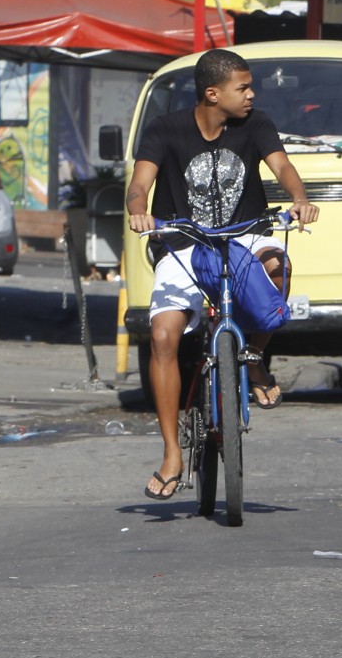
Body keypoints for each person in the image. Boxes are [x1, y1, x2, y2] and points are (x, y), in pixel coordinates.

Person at [126, 49, 319, 501]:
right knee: (163, 338)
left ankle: (252, 358)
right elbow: (140, 185)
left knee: (280, 267)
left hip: (244, 235)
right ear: (213, 94)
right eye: (243, 88)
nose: (252, 95)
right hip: (182, 242)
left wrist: (299, 198)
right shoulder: (164, 130)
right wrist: (139, 211)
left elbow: (284, 167)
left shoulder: (256, 124)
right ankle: (172, 453)